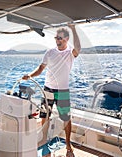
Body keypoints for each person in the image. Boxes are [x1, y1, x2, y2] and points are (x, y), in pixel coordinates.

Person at [22, 24, 81, 157]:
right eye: (56, 38)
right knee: (44, 116)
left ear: (66, 39)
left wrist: (73, 28)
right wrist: (30, 75)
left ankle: (67, 144)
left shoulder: (70, 53)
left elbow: (78, 48)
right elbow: (40, 68)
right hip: (48, 89)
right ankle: (44, 140)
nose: (57, 40)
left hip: (63, 91)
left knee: (66, 118)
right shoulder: (49, 52)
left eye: (60, 38)